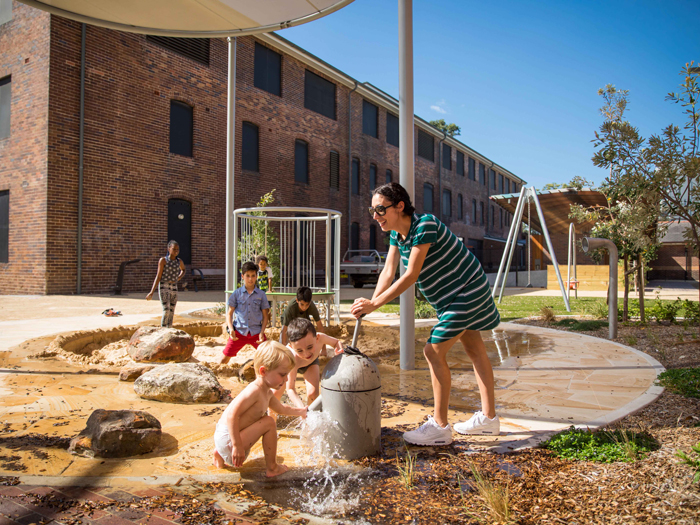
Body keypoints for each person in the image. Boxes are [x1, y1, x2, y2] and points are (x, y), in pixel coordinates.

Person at [351, 182, 501, 446]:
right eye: (372, 211)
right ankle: (489, 420)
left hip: (466, 289)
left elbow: (410, 275)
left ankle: (440, 427)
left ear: (399, 206)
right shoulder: (397, 235)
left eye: (380, 210)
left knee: (433, 351)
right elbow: (388, 271)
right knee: (475, 348)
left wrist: (374, 305)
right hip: (449, 298)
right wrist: (371, 303)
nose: (375, 217)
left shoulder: (425, 226)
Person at [213, 341, 307, 477]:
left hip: (225, 439)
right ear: (263, 371)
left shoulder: (266, 391)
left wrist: (302, 411)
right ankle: (272, 468)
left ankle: (219, 454)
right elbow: (232, 415)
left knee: (265, 420)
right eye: (282, 374)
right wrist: (237, 446)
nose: (286, 379)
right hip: (230, 440)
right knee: (268, 422)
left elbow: (281, 408)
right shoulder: (255, 390)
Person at [273, 318, 344, 408]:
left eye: (310, 347)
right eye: (299, 350)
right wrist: (301, 408)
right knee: (275, 394)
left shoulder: (321, 337)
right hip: (290, 365)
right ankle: (272, 420)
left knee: (313, 394)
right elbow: (290, 388)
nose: (306, 354)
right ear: (291, 346)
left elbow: (336, 342)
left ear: (317, 338)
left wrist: (339, 352)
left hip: (311, 362)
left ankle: (310, 419)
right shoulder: (290, 358)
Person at [220, 261, 270, 364]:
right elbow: (229, 314)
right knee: (223, 360)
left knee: (269, 358)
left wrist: (262, 332)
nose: (250, 279)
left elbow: (265, 316)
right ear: (242, 276)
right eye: (247, 276)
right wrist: (231, 329)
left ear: (256, 276)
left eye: (253, 276)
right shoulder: (236, 293)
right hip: (239, 333)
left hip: (256, 333)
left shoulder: (261, 294)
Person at [146, 240, 186, 328]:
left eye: (177, 249)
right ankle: (163, 329)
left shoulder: (179, 261)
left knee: (172, 310)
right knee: (166, 309)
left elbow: (183, 269)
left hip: (174, 287)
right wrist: (152, 292)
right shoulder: (163, 260)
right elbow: (158, 276)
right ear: (169, 249)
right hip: (164, 286)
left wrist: (178, 277)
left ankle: (169, 328)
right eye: (174, 249)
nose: (176, 251)